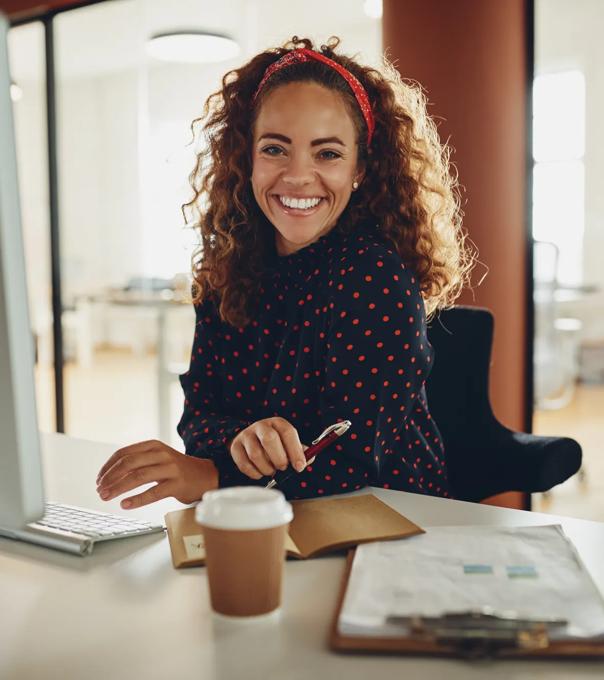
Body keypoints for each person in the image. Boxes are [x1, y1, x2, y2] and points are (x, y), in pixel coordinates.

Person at [96, 36, 473, 510]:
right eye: (275, 149)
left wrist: (215, 474)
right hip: (269, 515)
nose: (298, 176)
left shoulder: (376, 274)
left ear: (361, 167)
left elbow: (353, 458)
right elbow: (200, 417)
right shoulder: (227, 267)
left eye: (328, 153)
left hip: (389, 515)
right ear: (246, 158)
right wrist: (240, 441)